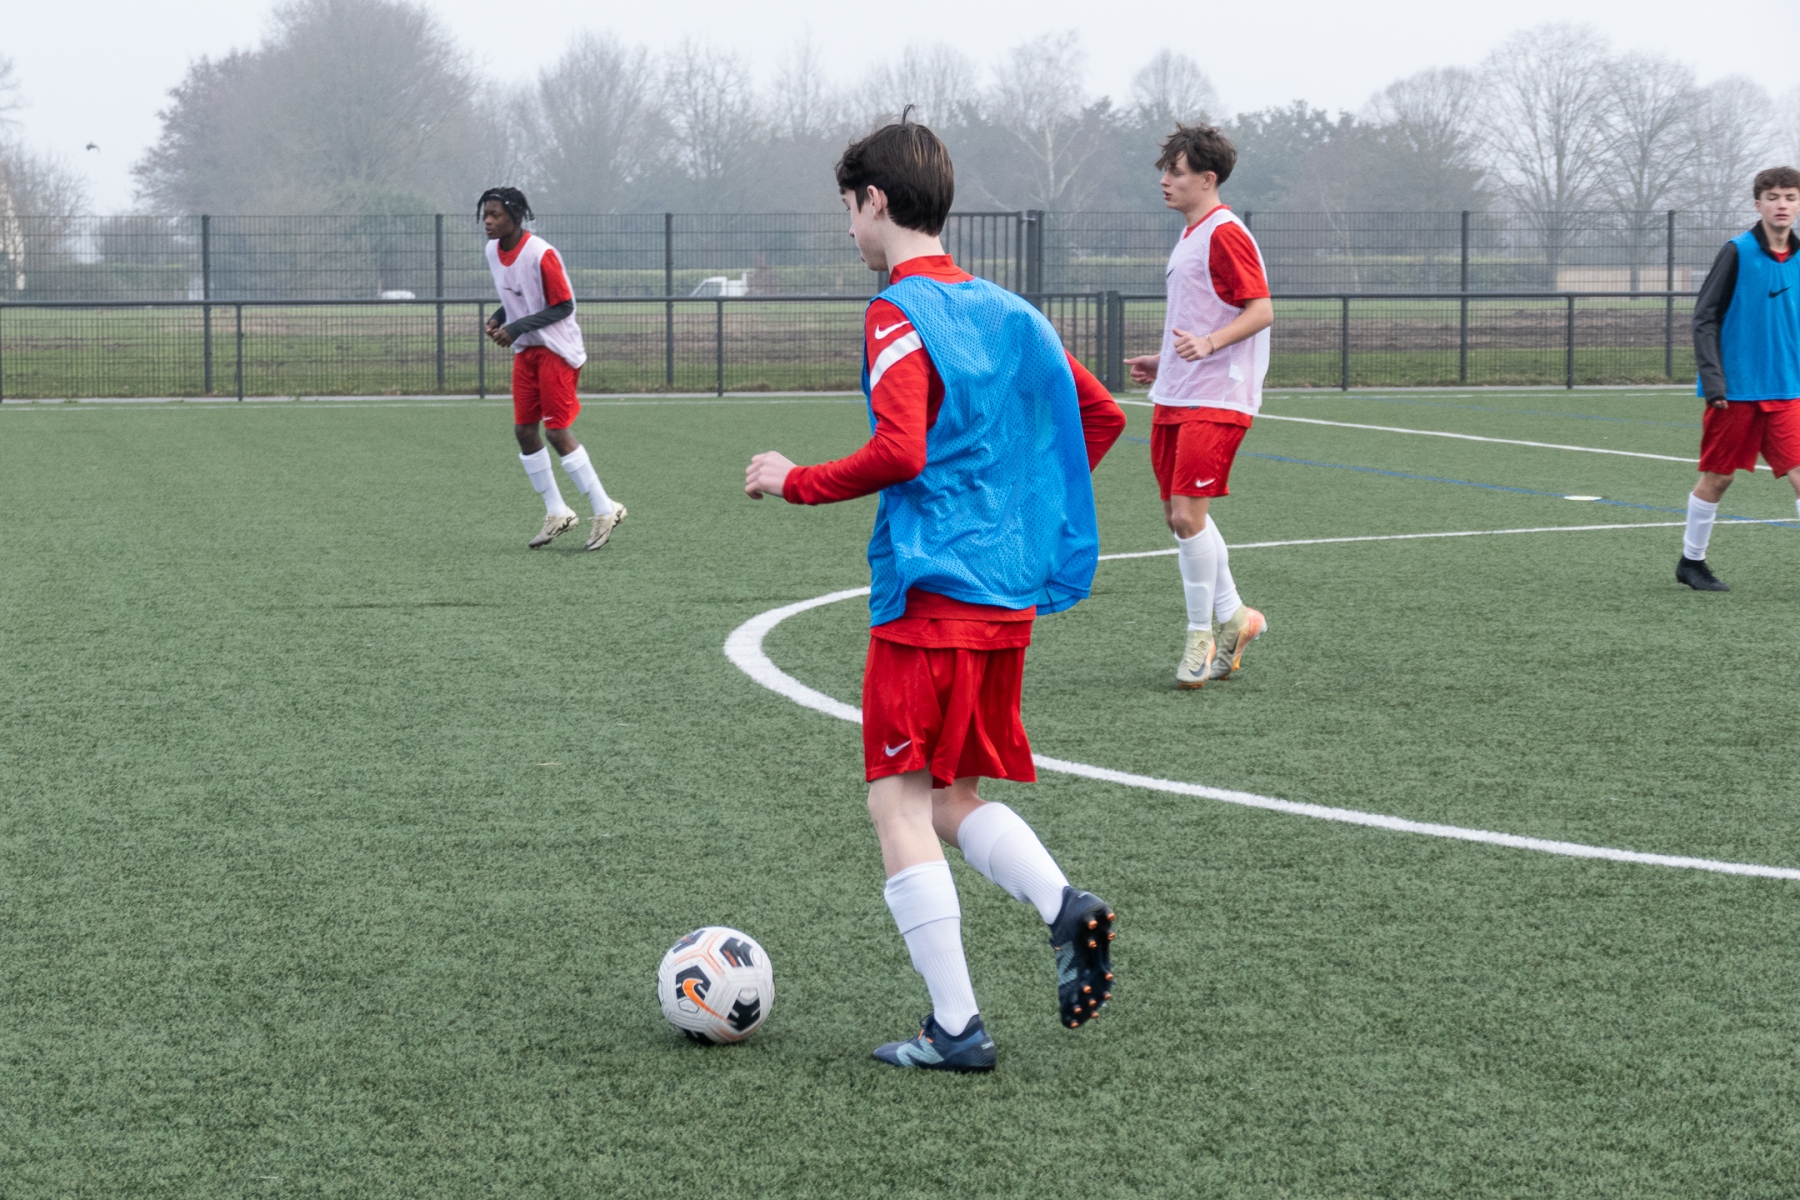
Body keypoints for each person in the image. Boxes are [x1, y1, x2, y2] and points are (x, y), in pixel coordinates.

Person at [743, 116, 1127, 1073]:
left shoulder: (896, 310)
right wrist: (1020, 514)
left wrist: (793, 478)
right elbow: (1099, 415)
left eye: (848, 211)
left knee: (896, 803)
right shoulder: (1008, 310)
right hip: (1003, 603)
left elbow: (901, 450)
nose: (848, 233)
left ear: (875, 200)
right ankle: (1063, 905)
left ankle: (956, 1027)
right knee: (952, 794)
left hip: (928, 601)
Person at [1124, 125, 1273, 688]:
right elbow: (1201, 316)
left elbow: (1260, 310)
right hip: (1179, 391)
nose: (1165, 181)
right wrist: (1168, 360)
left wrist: (1207, 348)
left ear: (1207, 179)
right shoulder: (1190, 236)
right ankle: (1236, 617)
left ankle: (1200, 637)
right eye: (1165, 170)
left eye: (1177, 172)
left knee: (1188, 516)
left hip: (1218, 396)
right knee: (1179, 517)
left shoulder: (1224, 232)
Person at [480, 187, 625, 551]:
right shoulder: (492, 251)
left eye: (495, 215)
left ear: (515, 217)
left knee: (557, 433)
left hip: (557, 350)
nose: (488, 221)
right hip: (527, 351)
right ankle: (558, 511)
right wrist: (500, 318)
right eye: (485, 214)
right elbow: (516, 295)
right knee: (525, 432)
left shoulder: (541, 253)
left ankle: (604, 509)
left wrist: (515, 327)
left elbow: (563, 306)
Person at [1677, 166, 1800, 591]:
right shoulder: (1737, 251)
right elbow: (1704, 318)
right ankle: (1691, 563)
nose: (1781, 204)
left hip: (1787, 389)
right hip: (1735, 391)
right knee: (1719, 478)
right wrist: (1714, 382)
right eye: (1773, 197)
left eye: (1790, 197)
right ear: (1758, 204)